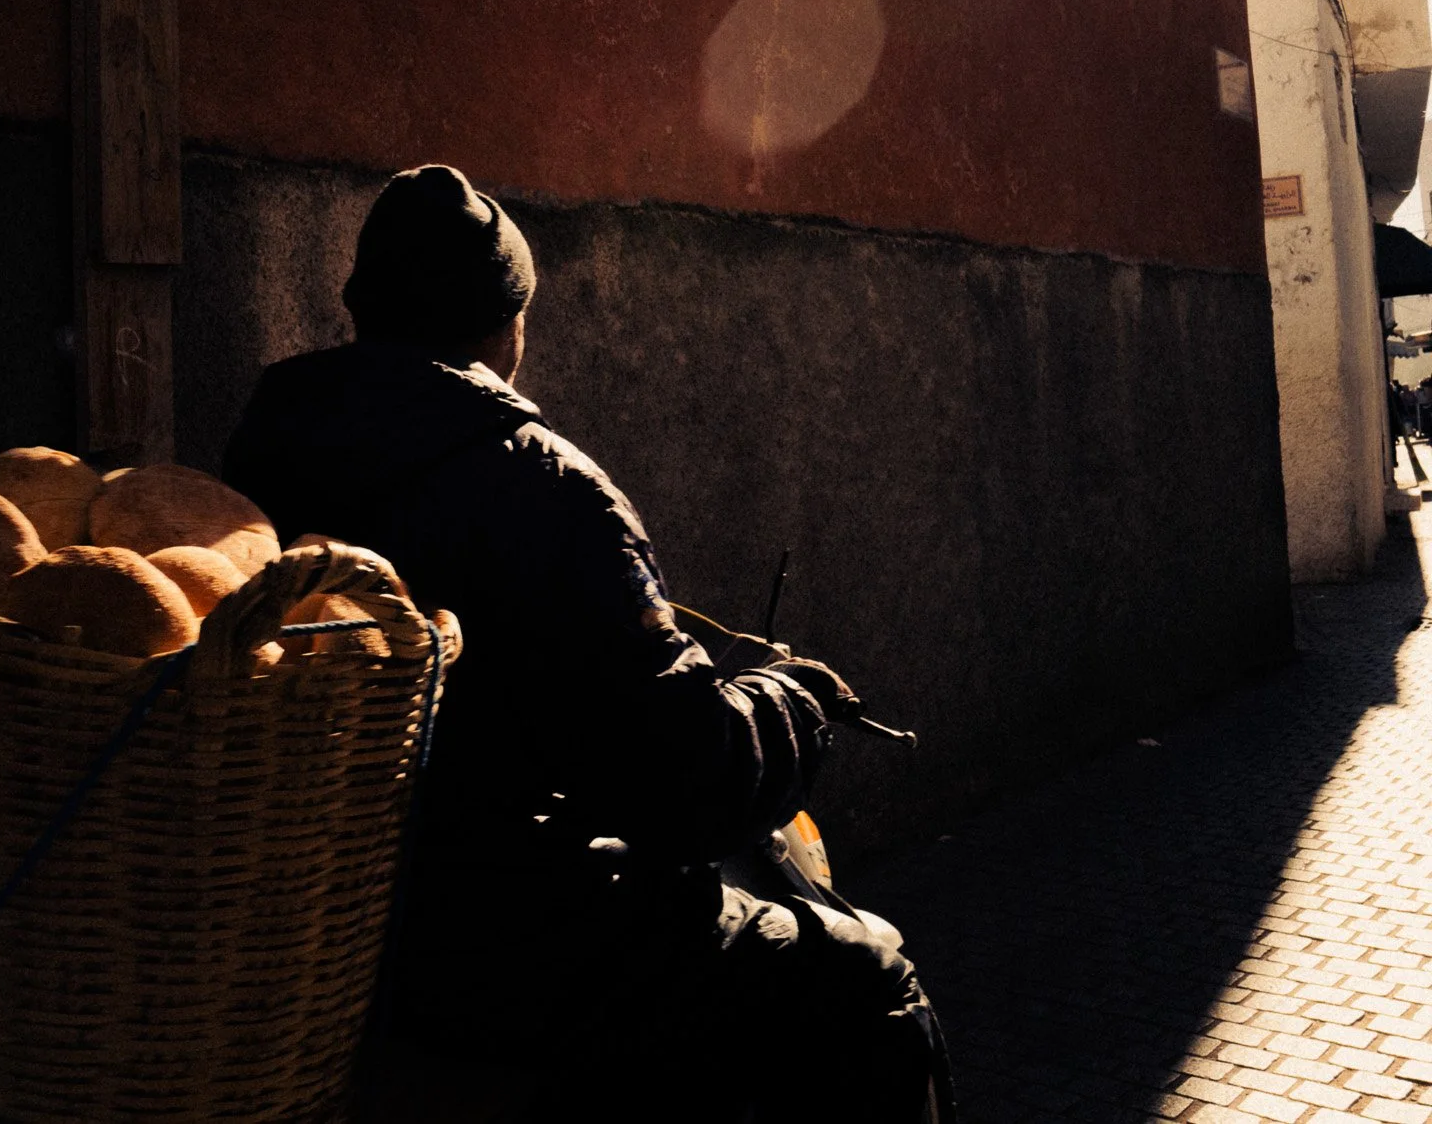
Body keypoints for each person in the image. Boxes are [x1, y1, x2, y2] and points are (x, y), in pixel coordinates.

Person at [224, 164, 952, 1121]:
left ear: (362, 313)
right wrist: (791, 701)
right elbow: (686, 784)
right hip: (501, 947)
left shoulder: (262, 452)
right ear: (509, 325)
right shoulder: (548, 487)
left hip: (321, 923)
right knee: (875, 975)